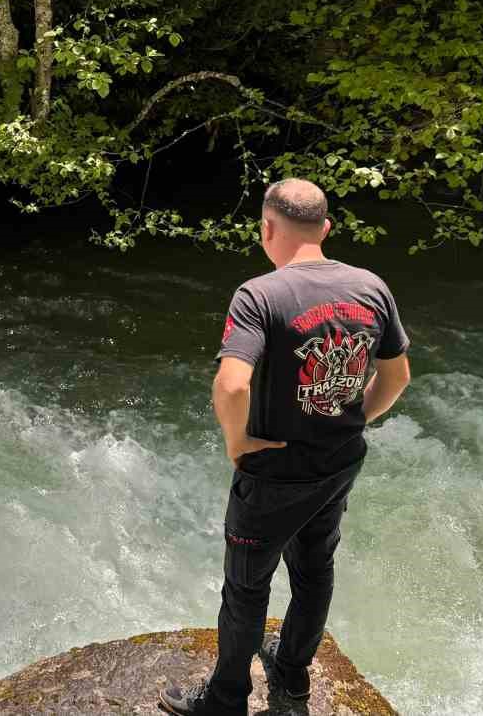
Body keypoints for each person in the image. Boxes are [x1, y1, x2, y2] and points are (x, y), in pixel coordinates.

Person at [159, 178, 412, 716]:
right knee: (315, 567)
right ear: (325, 228)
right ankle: (293, 675)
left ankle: (226, 700)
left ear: (266, 228)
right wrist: (354, 416)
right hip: (340, 461)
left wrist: (238, 442)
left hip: (275, 472)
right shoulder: (371, 286)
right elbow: (397, 379)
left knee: (246, 587)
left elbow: (231, 383)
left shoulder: (260, 295)